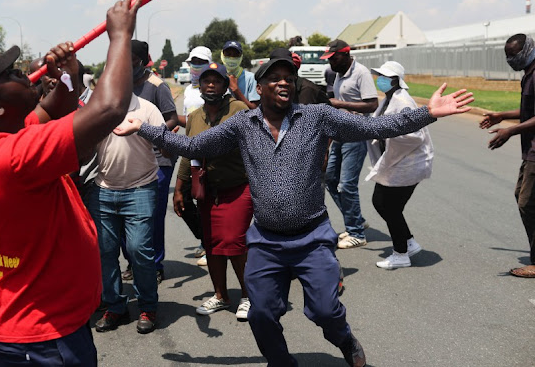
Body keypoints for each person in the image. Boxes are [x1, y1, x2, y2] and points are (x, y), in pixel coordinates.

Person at [115, 49, 474, 367]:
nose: (284, 83)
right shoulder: (243, 124)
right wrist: (146, 129)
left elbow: (374, 125)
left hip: (312, 237)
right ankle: (280, 360)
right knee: (261, 314)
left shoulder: (317, 117)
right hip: (266, 243)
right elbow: (194, 146)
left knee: (324, 311)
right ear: (261, 86)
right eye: (275, 79)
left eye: (289, 78)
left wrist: (428, 113)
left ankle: (344, 339)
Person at [0, 0, 139, 365]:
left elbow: (50, 108)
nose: (19, 71)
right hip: (44, 338)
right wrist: (120, 35)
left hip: (30, 324)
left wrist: (70, 74)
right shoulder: (14, 156)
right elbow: (110, 108)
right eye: (7, 75)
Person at [173, 62, 252, 320]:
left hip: (237, 188)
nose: (210, 85)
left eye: (216, 81)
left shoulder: (239, 110)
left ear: (224, 85)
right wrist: (180, 188)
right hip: (208, 192)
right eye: (206, 80)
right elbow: (189, 155)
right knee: (212, 246)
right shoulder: (195, 116)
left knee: (234, 242)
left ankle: (249, 295)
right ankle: (220, 295)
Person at [89, 91, 164, 334]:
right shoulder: (98, 108)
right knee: (105, 251)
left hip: (141, 188)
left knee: (138, 249)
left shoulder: (147, 108)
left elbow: (164, 142)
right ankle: (115, 306)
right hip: (103, 190)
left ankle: (148, 307)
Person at [122, 40, 179, 284]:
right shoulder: (120, 84)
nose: (127, 65)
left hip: (157, 160)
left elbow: (173, 118)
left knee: (152, 216)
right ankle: (133, 263)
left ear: (143, 61)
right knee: (125, 216)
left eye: (132, 60)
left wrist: (147, 131)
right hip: (128, 158)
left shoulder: (157, 85)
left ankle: (155, 265)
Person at [366, 61, 432, 269]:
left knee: (387, 205)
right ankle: (408, 242)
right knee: (385, 204)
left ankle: (401, 254)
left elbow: (413, 135)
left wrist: (384, 132)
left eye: (385, 77)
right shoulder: (388, 99)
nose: (380, 80)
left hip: (407, 163)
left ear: (396, 81)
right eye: (379, 76)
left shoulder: (403, 100)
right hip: (397, 162)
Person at [480, 33, 535, 278]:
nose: (510, 59)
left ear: (529, 50)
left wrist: (511, 131)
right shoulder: (529, 75)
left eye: (515, 54)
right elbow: (528, 111)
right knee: (523, 199)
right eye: (508, 55)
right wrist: (504, 115)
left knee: (528, 203)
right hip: (530, 150)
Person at [321, 39, 378, 249]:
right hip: (340, 132)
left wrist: (340, 104)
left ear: (345, 55)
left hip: (355, 133)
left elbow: (372, 103)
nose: (331, 63)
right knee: (330, 178)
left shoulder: (361, 73)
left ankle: (357, 233)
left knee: (347, 184)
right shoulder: (337, 73)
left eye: (333, 58)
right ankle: (356, 220)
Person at [178, 45, 213, 265]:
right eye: (193, 62)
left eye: (200, 62)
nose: (195, 66)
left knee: (208, 197)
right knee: (188, 199)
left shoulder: (216, 87)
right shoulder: (189, 91)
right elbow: (187, 119)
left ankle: (211, 243)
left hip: (212, 151)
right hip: (191, 150)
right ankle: (205, 237)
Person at [221, 40, 259, 109]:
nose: (232, 58)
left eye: (235, 55)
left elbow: (255, 109)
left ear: (241, 57)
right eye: (228, 54)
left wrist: (236, 90)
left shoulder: (250, 78)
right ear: (222, 55)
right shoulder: (218, 76)